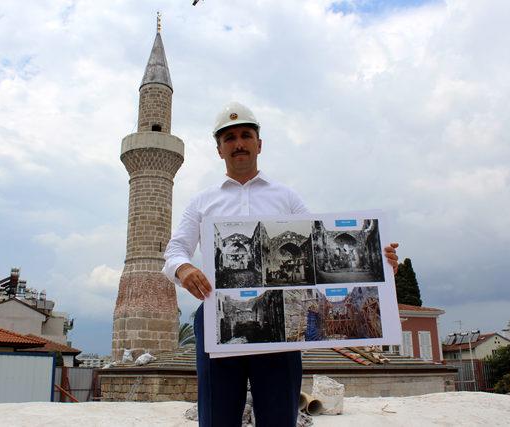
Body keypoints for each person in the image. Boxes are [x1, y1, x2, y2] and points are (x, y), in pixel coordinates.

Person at [163, 102, 399, 427]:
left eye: (246, 135)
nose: (239, 143)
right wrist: (183, 269)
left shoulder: (286, 198)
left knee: (278, 415)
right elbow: (175, 250)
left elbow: (318, 252)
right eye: (230, 138)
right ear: (219, 149)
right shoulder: (202, 201)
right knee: (217, 415)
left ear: (259, 144)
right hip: (217, 319)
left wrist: (378, 264)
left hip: (282, 322)